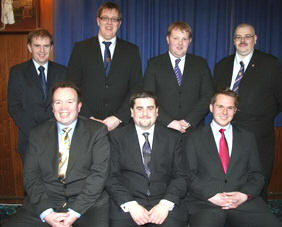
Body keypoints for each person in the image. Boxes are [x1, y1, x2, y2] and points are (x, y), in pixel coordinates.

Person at [3, 81, 110, 227]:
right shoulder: (37, 134)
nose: (63, 108)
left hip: (87, 205)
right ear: (52, 107)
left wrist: (73, 213)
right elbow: (31, 176)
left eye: (70, 102)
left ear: (79, 106)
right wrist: (47, 213)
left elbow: (99, 176)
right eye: (58, 102)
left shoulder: (97, 131)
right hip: (46, 201)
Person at [213, 23, 282, 197]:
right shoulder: (222, 65)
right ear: (233, 41)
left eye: (247, 36)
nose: (243, 41)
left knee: (257, 182)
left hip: (258, 135)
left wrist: (262, 115)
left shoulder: (271, 64)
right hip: (227, 134)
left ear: (255, 39)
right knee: (228, 180)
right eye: (238, 37)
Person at [184, 89, 282, 227]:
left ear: (235, 111)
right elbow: (188, 175)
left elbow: (257, 175)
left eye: (230, 108)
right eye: (220, 107)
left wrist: (244, 195)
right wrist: (212, 196)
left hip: (243, 202)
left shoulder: (247, 137)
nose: (225, 112)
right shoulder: (194, 137)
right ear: (211, 108)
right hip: (206, 203)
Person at [106, 90, 187, 227]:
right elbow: (110, 177)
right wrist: (131, 205)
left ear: (157, 111)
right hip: (129, 204)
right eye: (139, 109)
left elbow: (182, 176)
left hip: (164, 203)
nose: (145, 114)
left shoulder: (173, 138)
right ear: (131, 112)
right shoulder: (116, 138)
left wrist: (165, 204)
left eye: (150, 108)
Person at [67, 1, 143, 131]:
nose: (109, 23)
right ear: (98, 21)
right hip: (87, 124)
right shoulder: (80, 48)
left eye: (114, 19)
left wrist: (118, 117)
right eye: (105, 18)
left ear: (119, 23)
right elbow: (72, 86)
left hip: (121, 126)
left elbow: (136, 88)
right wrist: (88, 117)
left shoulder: (132, 51)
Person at [144, 21, 214, 134]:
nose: (180, 43)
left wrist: (188, 121)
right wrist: (170, 122)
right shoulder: (154, 64)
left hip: (193, 130)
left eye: (184, 39)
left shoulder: (200, 64)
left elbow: (208, 96)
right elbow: (149, 97)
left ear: (190, 41)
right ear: (168, 39)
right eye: (176, 38)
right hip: (163, 129)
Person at [8, 29, 66, 160]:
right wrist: (35, 133)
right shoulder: (17, 72)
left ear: (51, 48)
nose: (42, 50)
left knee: (57, 180)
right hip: (29, 140)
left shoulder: (62, 72)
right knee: (32, 180)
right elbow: (14, 107)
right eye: (37, 46)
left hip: (57, 139)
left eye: (46, 46)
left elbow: (66, 105)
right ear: (29, 47)